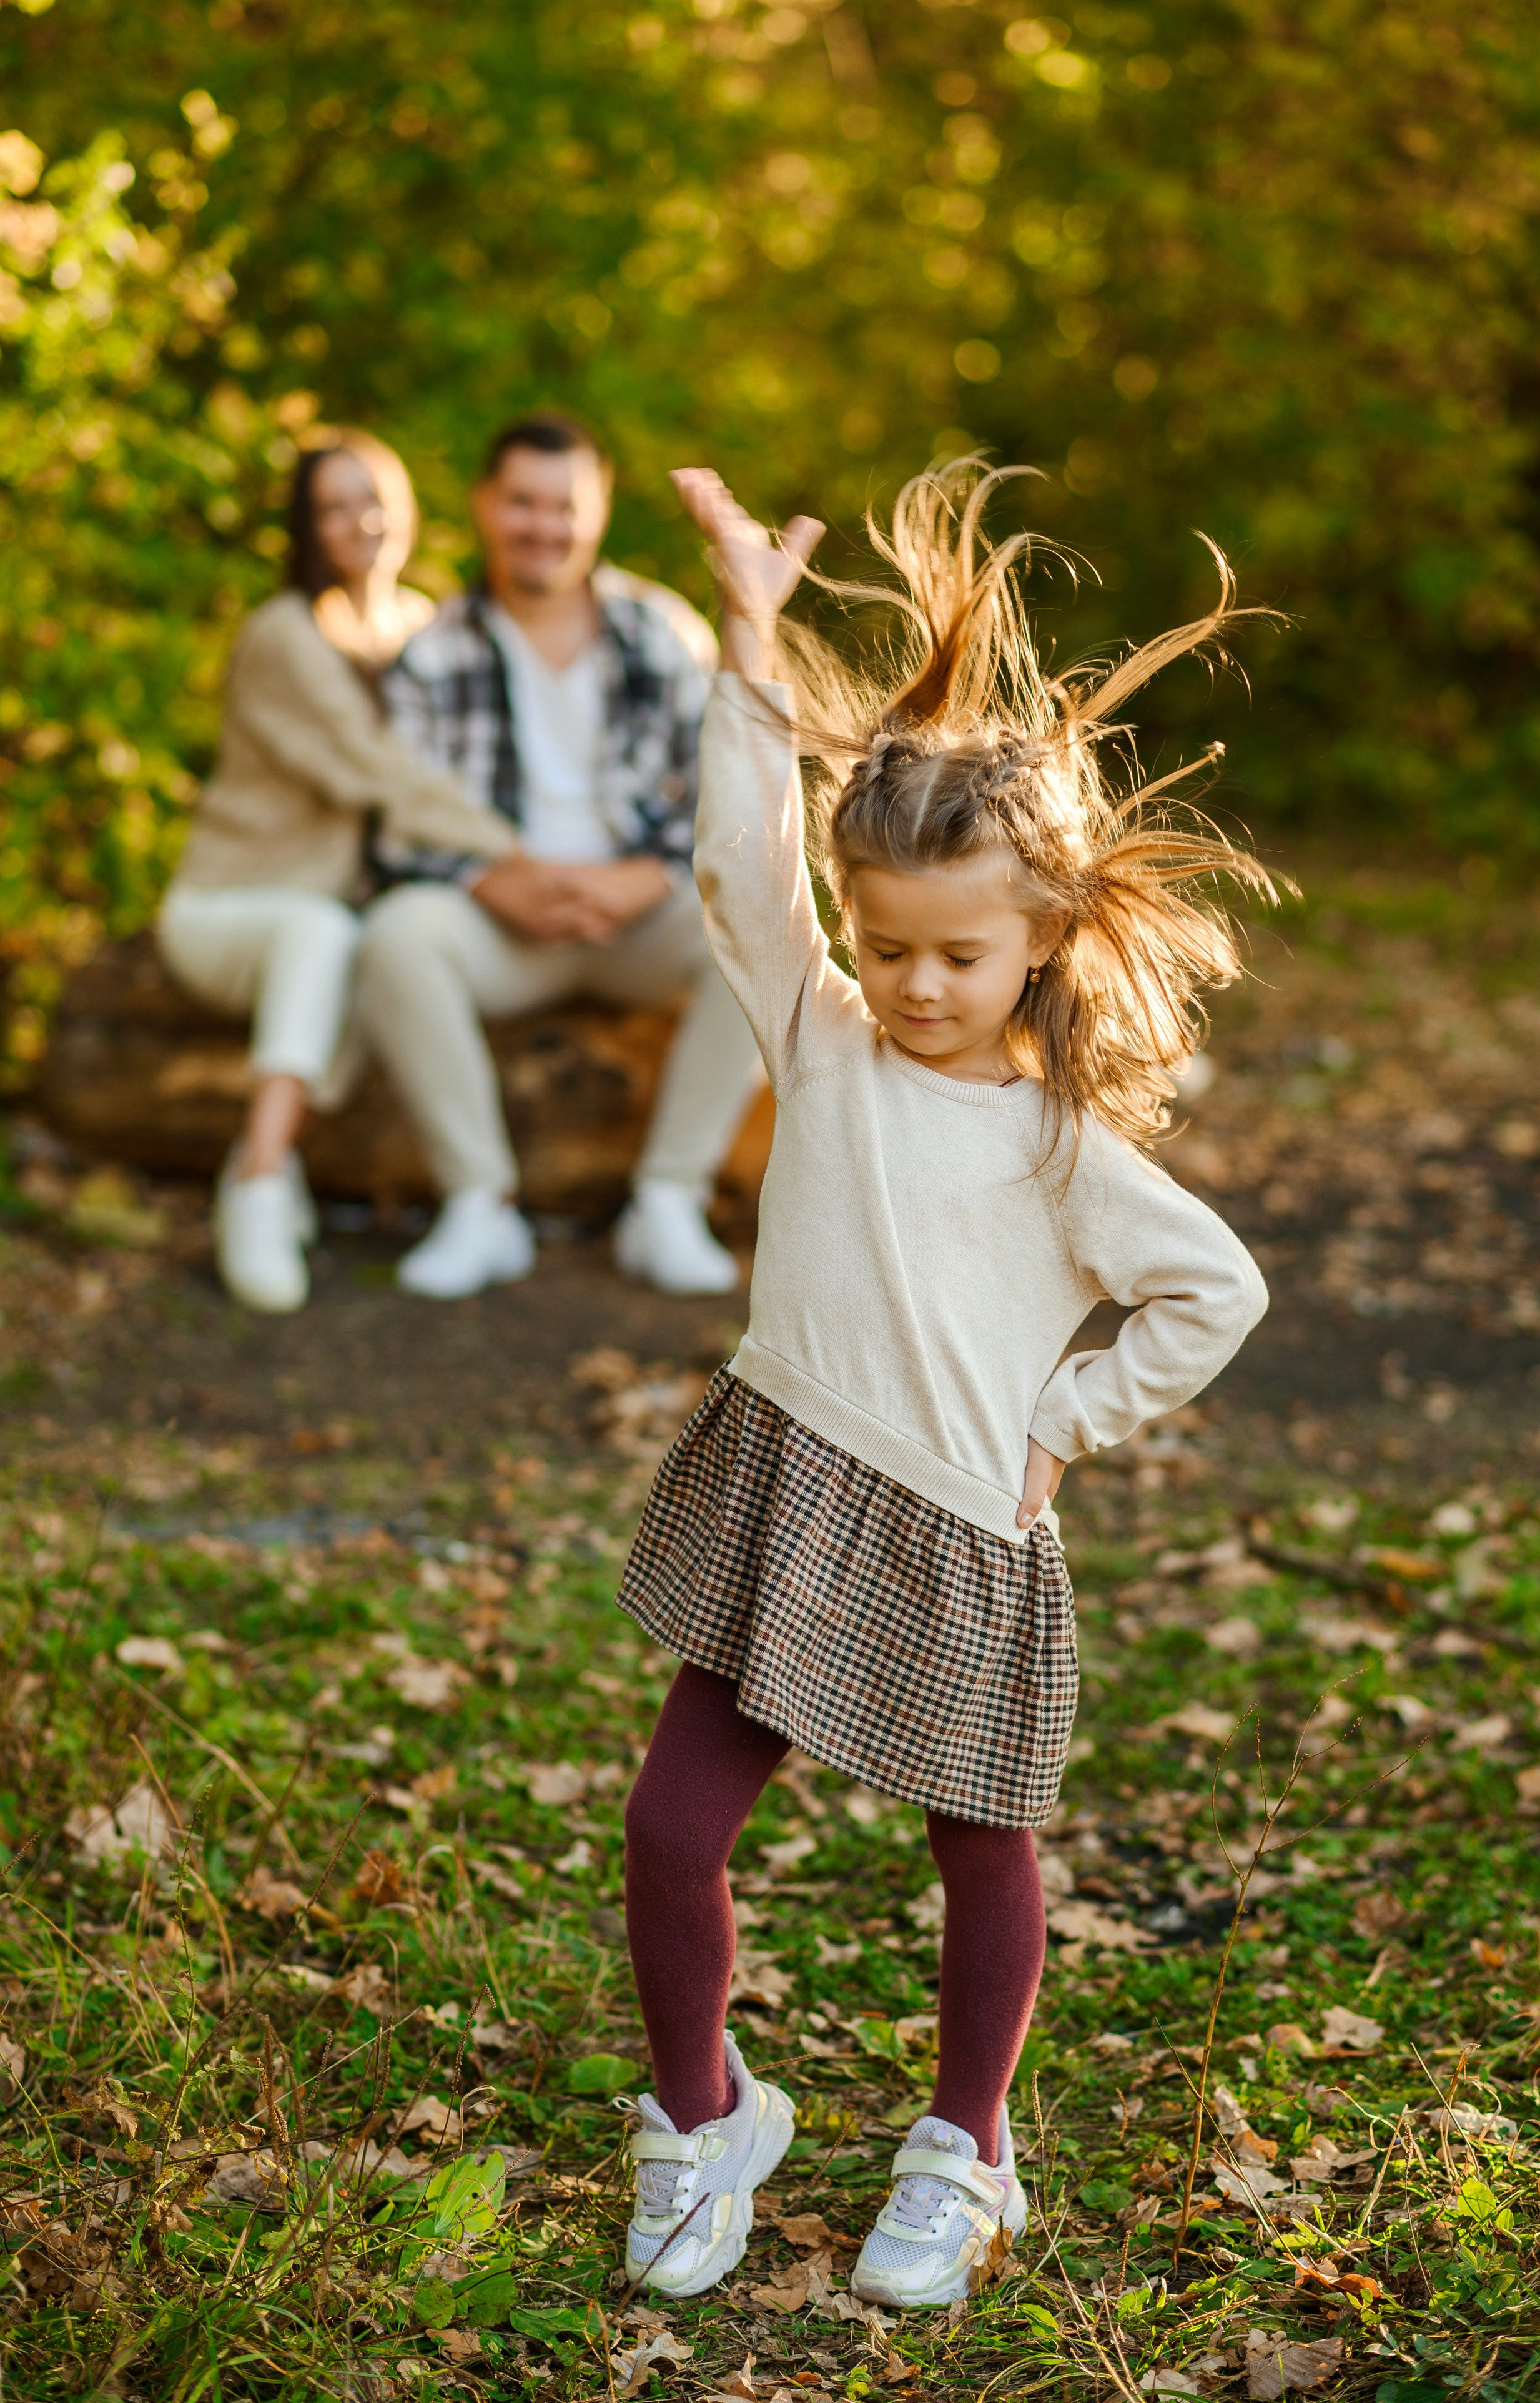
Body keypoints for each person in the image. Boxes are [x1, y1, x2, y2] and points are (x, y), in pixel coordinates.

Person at [613, 462, 1277, 2307]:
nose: (912, 984)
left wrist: (1060, 1424)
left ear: (1046, 936)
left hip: (961, 1523)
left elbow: (1213, 1288)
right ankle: (705, 2113)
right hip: (789, 1479)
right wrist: (749, 647)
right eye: (886, 943)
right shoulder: (821, 1040)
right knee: (673, 1828)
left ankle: (967, 2146)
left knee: (982, 1855)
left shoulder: (1067, 1144)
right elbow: (741, 871)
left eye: (958, 954)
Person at [355, 412, 761, 1301]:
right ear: (484, 506)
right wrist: (498, 882)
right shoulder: (432, 653)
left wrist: (643, 878)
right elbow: (401, 826)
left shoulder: (661, 633)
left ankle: (667, 1200)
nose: (543, 525)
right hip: (507, 922)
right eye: (522, 503)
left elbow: (722, 787)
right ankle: (480, 1203)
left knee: (760, 932)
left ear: (600, 510)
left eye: (564, 505)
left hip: (637, 915)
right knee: (396, 935)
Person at [158, 430, 520, 1312]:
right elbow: (380, 777)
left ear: (405, 509)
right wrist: (524, 861)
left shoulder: (419, 628)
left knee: (370, 951)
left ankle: (266, 1168)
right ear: (306, 526)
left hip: (336, 922)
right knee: (326, 933)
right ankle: (258, 1176)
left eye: (375, 497)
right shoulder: (284, 635)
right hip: (228, 908)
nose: (360, 519)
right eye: (333, 505)